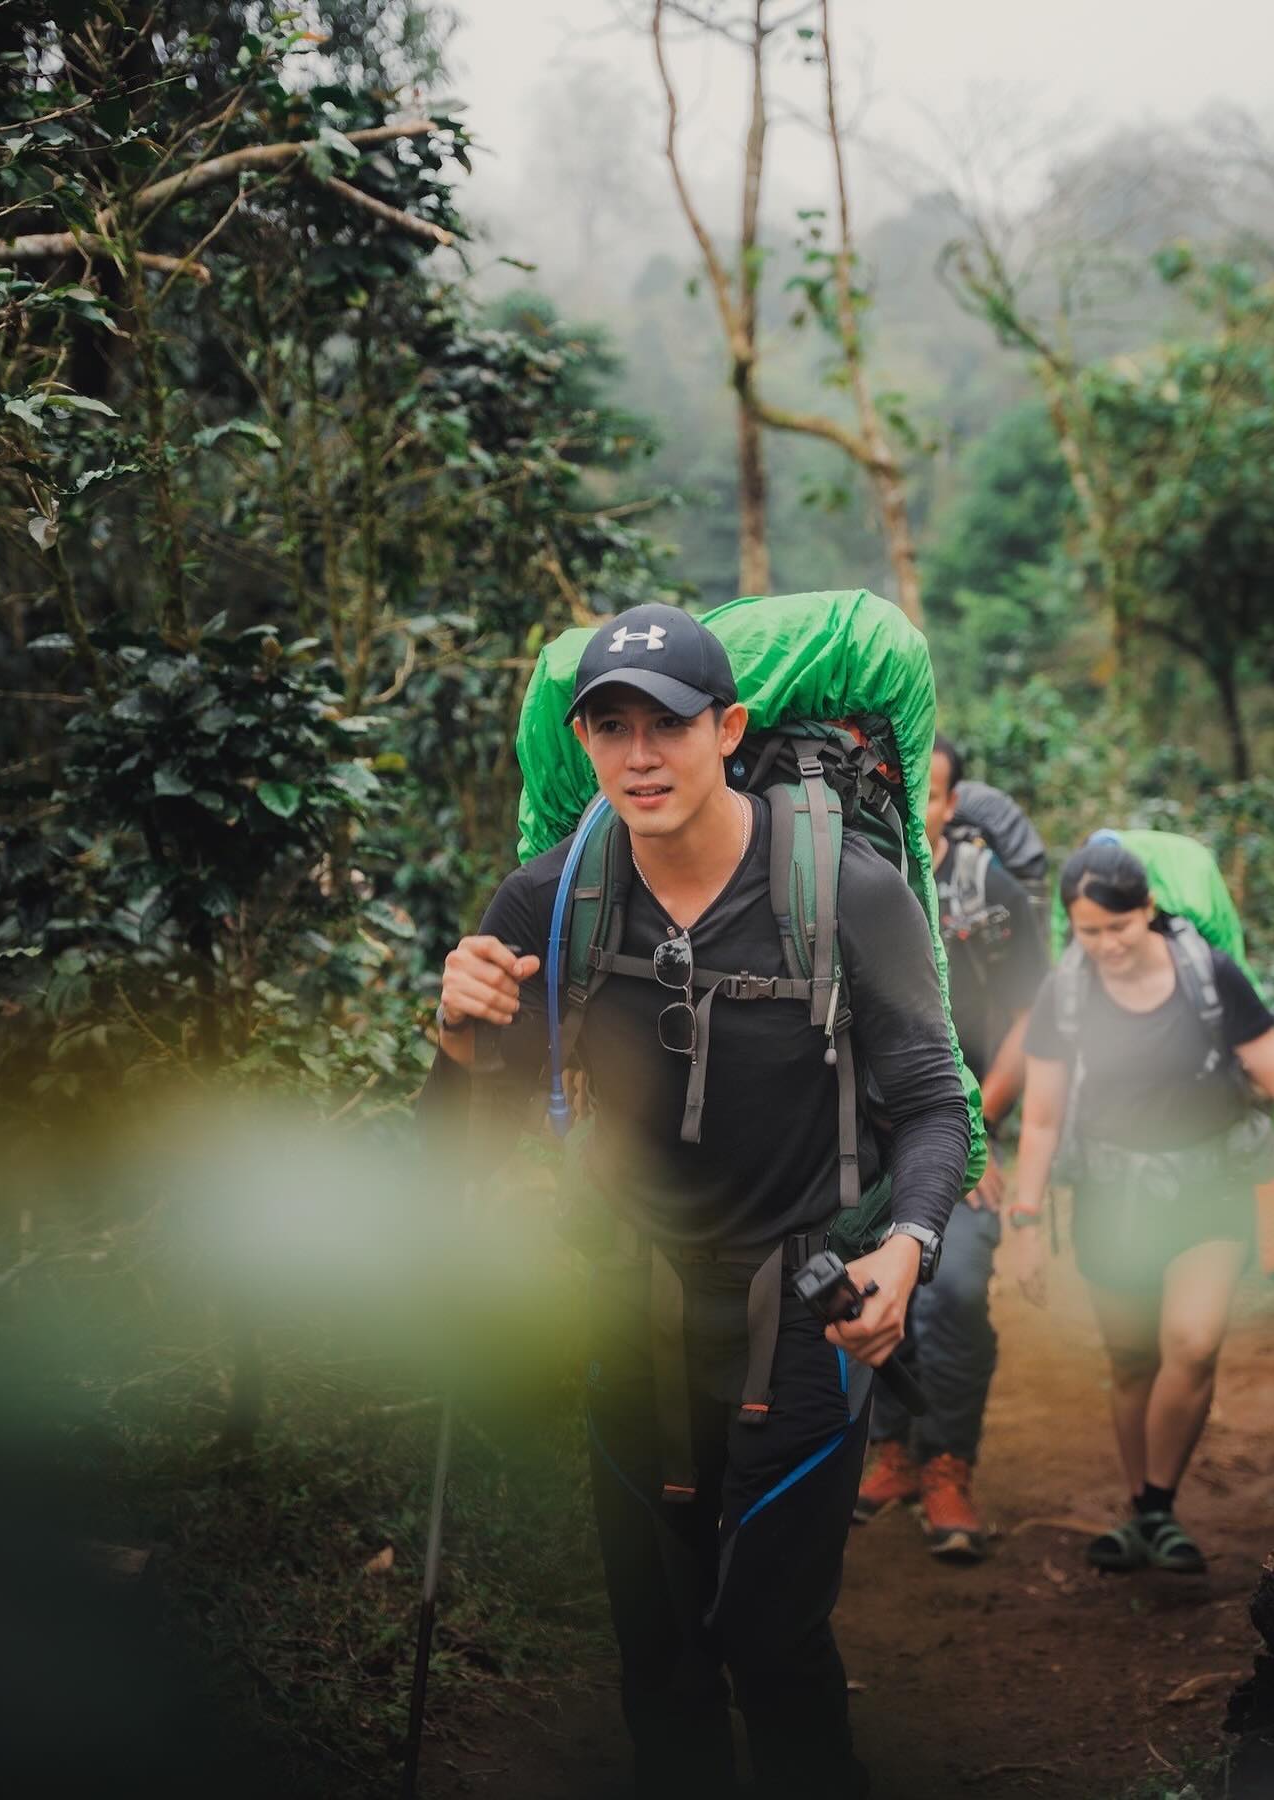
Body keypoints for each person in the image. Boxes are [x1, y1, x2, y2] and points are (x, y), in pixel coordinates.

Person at [421, 603, 972, 1800]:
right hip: (625, 1305)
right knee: (659, 1660)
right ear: (583, 742)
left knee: (772, 1643)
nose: (637, 755)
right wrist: (461, 1045)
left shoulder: (847, 890)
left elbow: (933, 1101)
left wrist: (912, 1247)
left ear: (726, 728)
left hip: (805, 1308)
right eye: (608, 726)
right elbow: (461, 1145)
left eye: (666, 724)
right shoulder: (547, 901)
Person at [1007, 839, 1274, 1574]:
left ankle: (1160, 1504)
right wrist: (1022, 1222)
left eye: (1119, 927)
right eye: (1088, 931)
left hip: (1210, 1190)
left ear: (1148, 909)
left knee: (1194, 1342)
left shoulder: (1208, 974)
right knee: (1133, 1360)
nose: (1105, 945)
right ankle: (1145, 1508)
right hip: (1112, 1196)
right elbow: (1042, 1117)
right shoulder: (1067, 991)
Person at [853, 736, 1048, 1560]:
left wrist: (975, 1127)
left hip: (959, 1125)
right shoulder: (843, 872)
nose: (909, 801)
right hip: (856, 1136)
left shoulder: (985, 890)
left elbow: (1029, 1020)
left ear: (950, 805)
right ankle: (890, 1446)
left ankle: (946, 1463)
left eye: (926, 791)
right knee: (859, 1285)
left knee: (956, 1286)